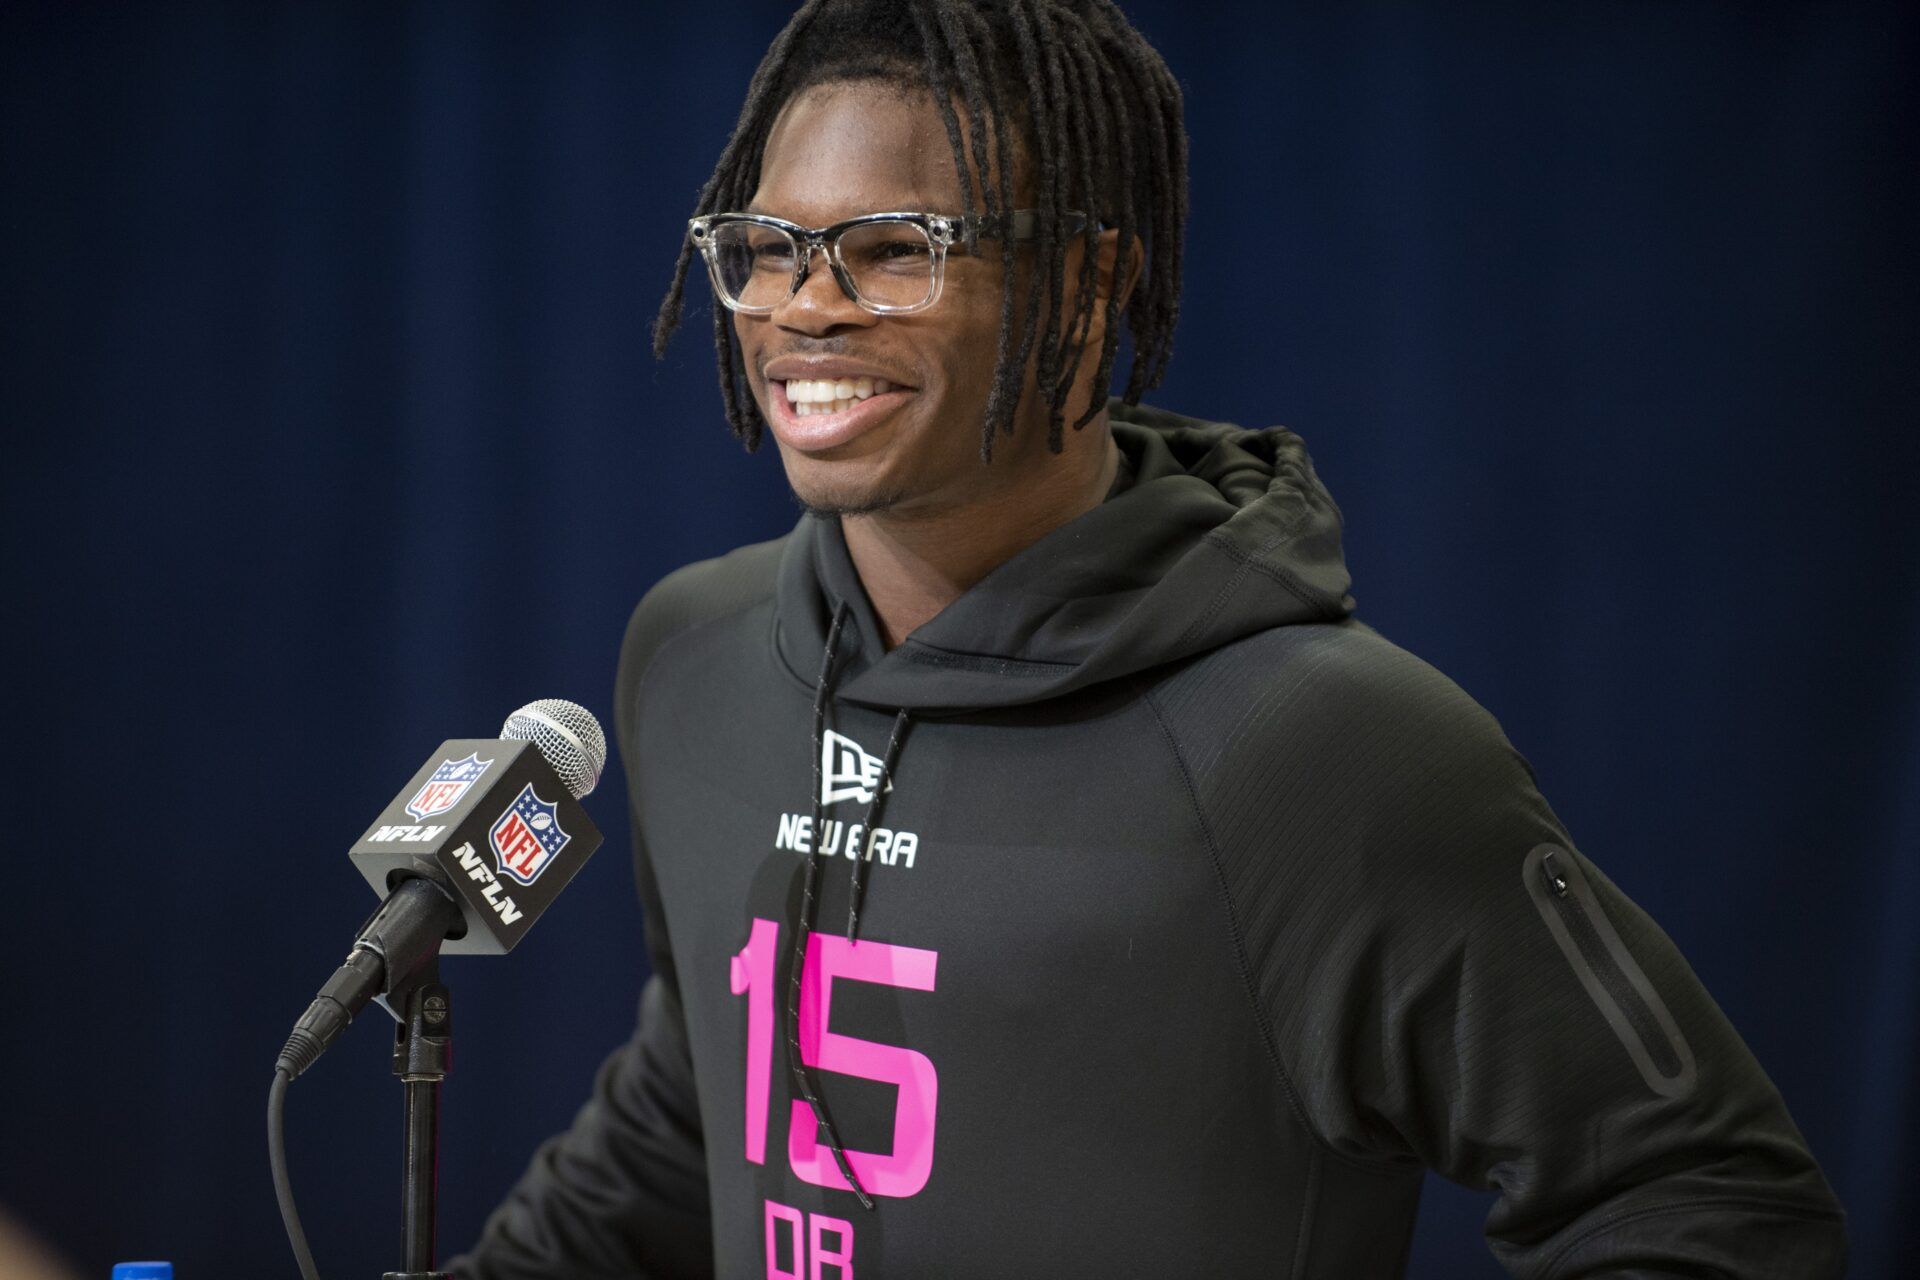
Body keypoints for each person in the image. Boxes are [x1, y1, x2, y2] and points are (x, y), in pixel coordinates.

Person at [452, 1, 1846, 1275]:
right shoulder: (693, 654)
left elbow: (1705, 1201)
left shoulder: (1324, 749)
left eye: (893, 250)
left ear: (1086, 282)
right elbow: (696, 1119)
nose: (807, 306)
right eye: (766, 251)